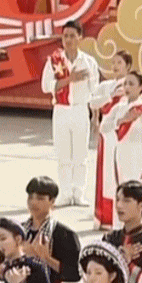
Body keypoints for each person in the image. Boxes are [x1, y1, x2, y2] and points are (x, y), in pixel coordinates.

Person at [40, 20, 100, 206]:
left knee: (80, 155)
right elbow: (45, 86)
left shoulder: (88, 62)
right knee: (63, 153)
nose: (68, 40)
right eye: (65, 36)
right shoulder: (54, 61)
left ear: (80, 37)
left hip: (81, 109)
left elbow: (95, 91)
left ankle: (79, 192)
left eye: (72, 36)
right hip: (61, 110)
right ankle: (65, 193)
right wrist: (69, 80)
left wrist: (95, 117)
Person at [100, 71, 142, 224]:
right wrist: (122, 120)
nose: (127, 87)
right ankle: (119, 228)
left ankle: (141, 226)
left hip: (137, 154)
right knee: (121, 190)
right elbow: (103, 128)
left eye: (132, 84)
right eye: (125, 83)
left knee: (137, 192)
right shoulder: (118, 108)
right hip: (120, 153)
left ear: (141, 88)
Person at [90, 49, 131, 230]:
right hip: (105, 136)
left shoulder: (130, 86)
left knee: (117, 175)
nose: (115, 67)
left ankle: (118, 215)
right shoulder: (107, 86)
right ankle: (104, 216)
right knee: (104, 175)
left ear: (128, 66)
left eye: (119, 63)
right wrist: (110, 96)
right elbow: (93, 103)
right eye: (113, 63)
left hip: (120, 135)